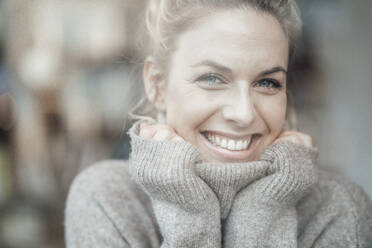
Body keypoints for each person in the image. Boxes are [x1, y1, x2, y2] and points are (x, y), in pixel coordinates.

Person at [64, 0, 372, 247]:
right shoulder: (108, 199)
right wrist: (187, 208)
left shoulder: (337, 207)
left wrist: (265, 208)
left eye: (267, 82)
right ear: (157, 85)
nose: (244, 113)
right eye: (212, 78)